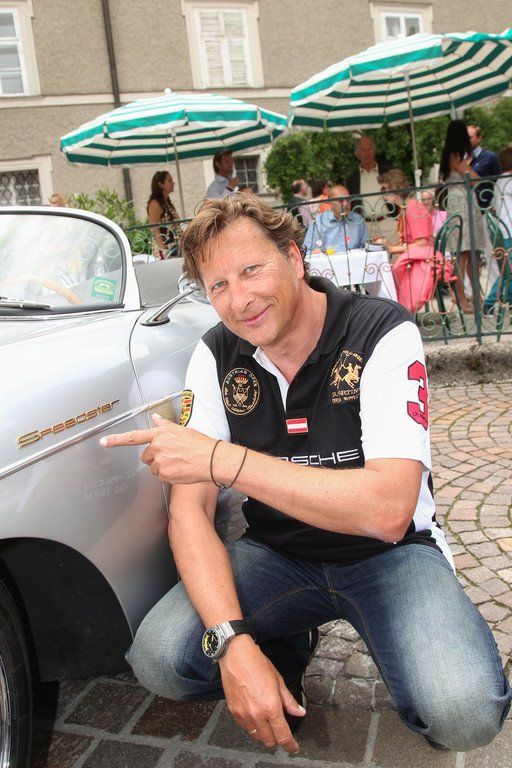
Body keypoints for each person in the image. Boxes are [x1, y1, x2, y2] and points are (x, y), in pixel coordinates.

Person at [102, 192, 510, 757]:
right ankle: (284, 646)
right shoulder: (216, 354)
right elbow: (189, 510)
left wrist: (222, 459)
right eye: (218, 285)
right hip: (278, 554)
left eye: (252, 270)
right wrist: (234, 644)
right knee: (161, 658)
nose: (240, 300)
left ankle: (380, 657)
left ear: (294, 258)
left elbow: (388, 511)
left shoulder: (381, 331)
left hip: (390, 555)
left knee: (463, 714)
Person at [439, 120, 486, 313]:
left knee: (470, 251)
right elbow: (473, 178)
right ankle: (461, 296)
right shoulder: (456, 156)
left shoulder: (453, 156)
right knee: (463, 252)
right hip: (462, 202)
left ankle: (474, 294)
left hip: (461, 201)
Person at [346, 136, 392, 240]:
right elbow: (349, 203)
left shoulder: (387, 172)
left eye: (370, 149)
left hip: (388, 223)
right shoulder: (352, 179)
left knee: (395, 250)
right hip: (365, 225)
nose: (367, 153)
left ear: (374, 150)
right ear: (357, 154)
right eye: (363, 150)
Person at [484, 145, 512, 313]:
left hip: (503, 229)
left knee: (507, 268)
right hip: (509, 230)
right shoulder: (509, 180)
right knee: (507, 270)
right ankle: (490, 301)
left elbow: (493, 206)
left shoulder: (499, 181)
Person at [303, 184, 368, 254]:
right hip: (327, 260)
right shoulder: (319, 222)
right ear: (330, 202)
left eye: (348, 199)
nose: (346, 203)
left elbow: (366, 246)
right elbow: (307, 250)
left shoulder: (358, 219)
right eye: (341, 200)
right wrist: (314, 253)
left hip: (354, 260)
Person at [467, 124, 502, 210]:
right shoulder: (460, 159)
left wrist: (493, 204)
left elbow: (499, 182)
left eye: (470, 137)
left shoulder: (490, 157)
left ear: (479, 138)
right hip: (466, 207)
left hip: (485, 208)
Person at [147, 171, 179, 260]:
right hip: (166, 249)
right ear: (161, 184)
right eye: (169, 180)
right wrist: (164, 251)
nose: (173, 183)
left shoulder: (167, 202)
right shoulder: (155, 204)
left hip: (174, 247)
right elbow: (155, 229)